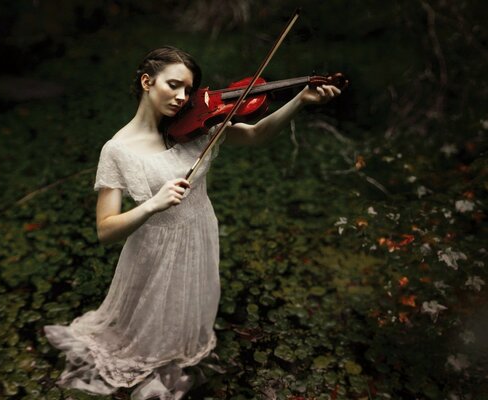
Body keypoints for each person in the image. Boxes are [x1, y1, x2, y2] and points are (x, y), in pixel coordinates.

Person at [44, 46, 341, 399]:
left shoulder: (197, 126)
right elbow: (105, 229)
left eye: (189, 89)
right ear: (146, 81)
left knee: (190, 304)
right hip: (156, 247)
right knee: (151, 318)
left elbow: (257, 133)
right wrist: (151, 205)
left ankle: (177, 350)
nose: (183, 97)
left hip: (200, 230)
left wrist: (301, 101)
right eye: (174, 85)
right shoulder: (117, 150)